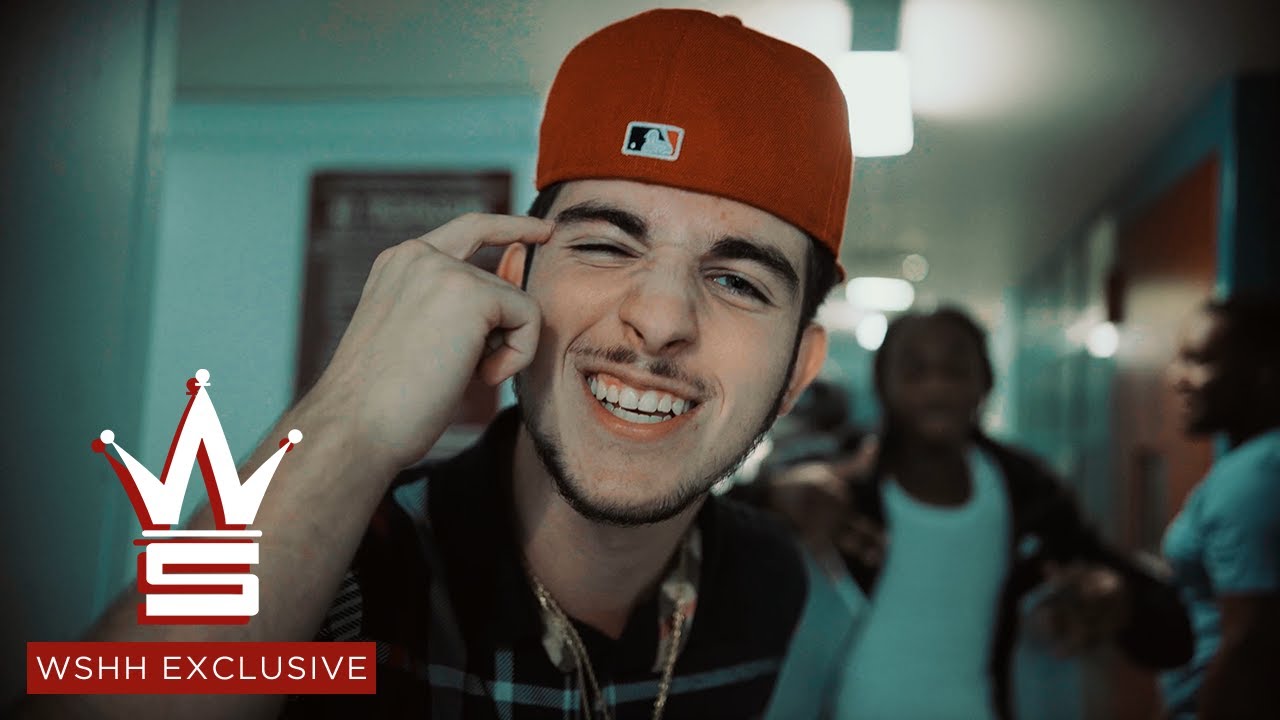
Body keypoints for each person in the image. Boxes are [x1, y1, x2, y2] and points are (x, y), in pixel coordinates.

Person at [23, 9, 854, 720]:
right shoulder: (345, 573)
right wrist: (350, 418)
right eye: (605, 245)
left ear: (797, 371)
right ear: (513, 286)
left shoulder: (791, 596)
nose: (662, 320)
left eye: (738, 281)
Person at [765, 307, 1193, 720]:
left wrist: (1119, 598)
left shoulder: (1027, 493)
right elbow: (738, 525)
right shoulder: (840, 482)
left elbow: (1171, 634)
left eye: (955, 370)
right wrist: (775, 496)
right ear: (882, 383)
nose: (936, 386)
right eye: (914, 369)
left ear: (985, 381)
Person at [1162, 296, 1280, 720]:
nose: (1176, 378)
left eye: (1199, 360)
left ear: (1264, 373)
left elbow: (1248, 640)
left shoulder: (1253, 477)